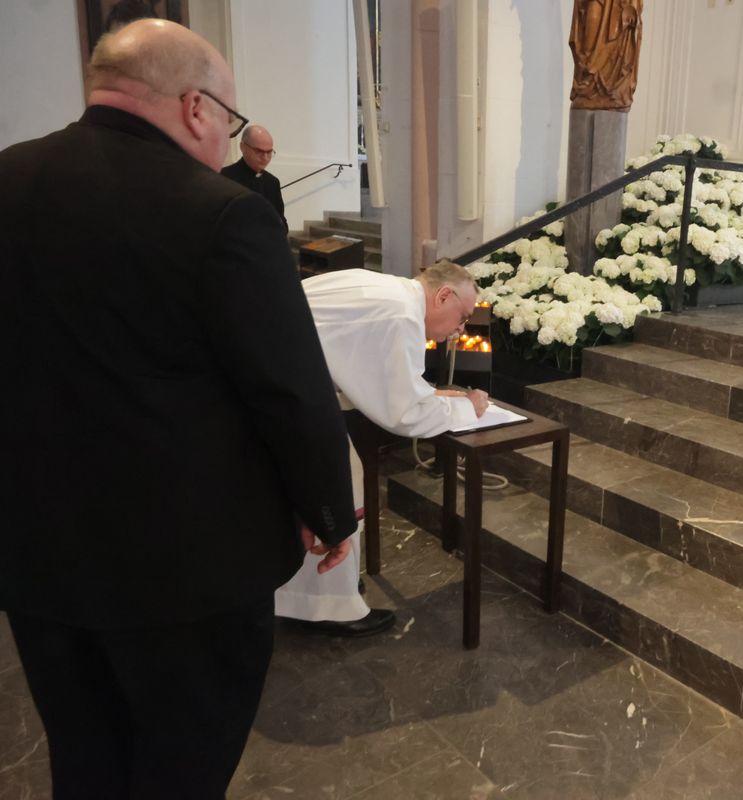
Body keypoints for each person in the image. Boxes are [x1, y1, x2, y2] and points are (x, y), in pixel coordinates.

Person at [0, 19, 357, 798]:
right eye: (229, 124)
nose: (226, 144)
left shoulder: (7, 178)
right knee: (180, 771)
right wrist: (329, 506)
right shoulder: (222, 212)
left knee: (85, 759)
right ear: (198, 108)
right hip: (186, 571)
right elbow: (288, 388)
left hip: (33, 553)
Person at [277, 261, 489, 636]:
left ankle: (320, 594)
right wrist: (466, 407)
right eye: (463, 317)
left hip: (273, 381)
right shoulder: (401, 314)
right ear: (443, 295)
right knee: (338, 481)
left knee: (341, 477)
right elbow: (404, 412)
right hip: (274, 392)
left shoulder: (386, 290)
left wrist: (436, 394)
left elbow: (362, 367)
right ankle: (326, 604)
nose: (460, 330)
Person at [221, 124, 287, 228]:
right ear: (242, 147)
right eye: (259, 151)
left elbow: (281, 221)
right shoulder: (224, 178)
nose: (265, 158)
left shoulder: (272, 182)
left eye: (269, 152)